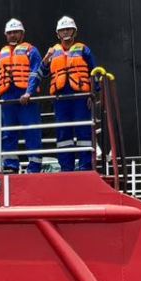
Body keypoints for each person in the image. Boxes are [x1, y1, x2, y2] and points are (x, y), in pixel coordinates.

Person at [42, 16, 97, 171]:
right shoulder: (53, 52)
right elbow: (43, 72)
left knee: (83, 132)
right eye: (62, 30)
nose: (66, 32)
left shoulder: (84, 50)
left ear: (74, 31)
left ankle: (85, 166)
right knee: (63, 133)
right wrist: (46, 59)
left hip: (80, 97)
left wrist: (93, 94)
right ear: (58, 34)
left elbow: (94, 72)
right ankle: (66, 167)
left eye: (68, 29)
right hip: (61, 98)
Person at [0, 18, 43, 173]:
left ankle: (34, 166)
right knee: (8, 133)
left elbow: (36, 72)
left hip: (26, 98)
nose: (13, 36)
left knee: (32, 131)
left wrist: (29, 91)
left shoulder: (31, 50)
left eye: (16, 32)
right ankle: (10, 165)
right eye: (10, 33)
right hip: (8, 97)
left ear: (22, 34)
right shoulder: (1, 53)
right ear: (6, 35)